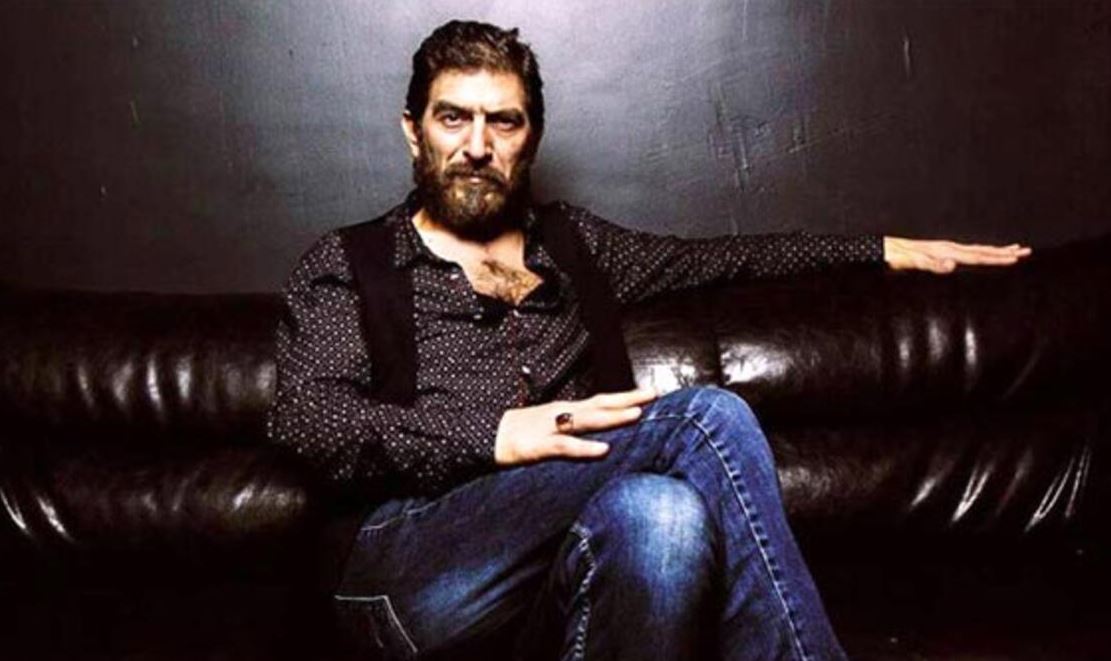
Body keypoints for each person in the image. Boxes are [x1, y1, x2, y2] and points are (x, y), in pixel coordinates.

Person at [267, 19, 1031, 661]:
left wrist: (883, 248)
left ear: (531, 138)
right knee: (703, 416)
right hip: (407, 573)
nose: (476, 144)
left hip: (549, 584)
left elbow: (727, 259)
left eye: (503, 121)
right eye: (452, 118)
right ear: (413, 131)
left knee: (660, 513)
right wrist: (495, 433)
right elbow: (308, 419)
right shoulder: (350, 262)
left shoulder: (574, 247)